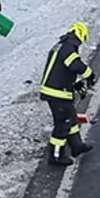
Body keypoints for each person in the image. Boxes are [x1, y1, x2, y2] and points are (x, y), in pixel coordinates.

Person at [38, 22, 95, 166]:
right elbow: (75, 66)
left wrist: (77, 84)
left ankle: (77, 146)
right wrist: (89, 75)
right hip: (57, 93)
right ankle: (56, 156)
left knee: (71, 119)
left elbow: (63, 70)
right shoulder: (69, 48)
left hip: (56, 89)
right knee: (63, 124)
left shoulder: (61, 46)